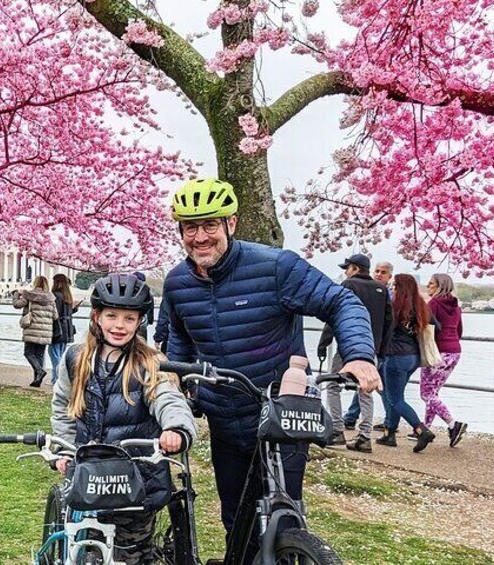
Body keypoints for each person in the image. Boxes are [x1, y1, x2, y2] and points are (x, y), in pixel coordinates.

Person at [162, 178, 380, 557]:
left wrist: (359, 354)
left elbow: (342, 303)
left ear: (231, 223)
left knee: (284, 514)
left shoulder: (277, 267)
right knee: (237, 519)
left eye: (210, 224)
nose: (200, 237)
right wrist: (180, 381)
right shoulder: (178, 283)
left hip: (281, 412)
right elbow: (179, 338)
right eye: (190, 227)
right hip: (224, 417)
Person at [51, 273, 197, 564]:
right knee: (79, 547)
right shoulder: (75, 358)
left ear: (139, 321)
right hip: (88, 476)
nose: (119, 325)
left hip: (136, 482)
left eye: (129, 318)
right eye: (112, 316)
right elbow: (62, 407)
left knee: (133, 556)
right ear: (97, 316)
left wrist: (176, 429)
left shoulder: (149, 362)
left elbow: (167, 398)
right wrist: (62, 448)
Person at [318, 253, 393, 452]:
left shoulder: (349, 286)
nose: (345, 272)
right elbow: (389, 322)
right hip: (371, 350)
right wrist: (381, 349)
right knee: (365, 390)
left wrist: (324, 342)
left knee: (333, 385)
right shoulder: (382, 289)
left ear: (356, 269)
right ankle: (365, 436)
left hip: (347, 348)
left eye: (347, 268)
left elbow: (336, 314)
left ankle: (336, 430)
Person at [376, 273, 437, 452]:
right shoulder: (421, 306)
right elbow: (437, 327)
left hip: (395, 357)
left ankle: (420, 430)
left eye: (395, 285)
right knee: (397, 396)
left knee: (394, 398)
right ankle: (389, 434)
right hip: (413, 357)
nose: (392, 288)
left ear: (400, 288)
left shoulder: (394, 307)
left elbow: (384, 330)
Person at [418, 274, 467, 446]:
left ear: (440, 286)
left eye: (431, 284)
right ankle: (426, 428)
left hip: (437, 353)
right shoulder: (456, 306)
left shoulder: (434, 304)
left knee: (426, 393)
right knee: (433, 393)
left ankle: (453, 425)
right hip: (454, 352)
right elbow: (459, 331)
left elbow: (426, 327)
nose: (428, 286)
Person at [13, 275, 58, 387]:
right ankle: (37, 380)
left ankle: (39, 371)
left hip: (32, 328)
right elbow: (55, 316)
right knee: (39, 355)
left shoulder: (29, 295)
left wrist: (16, 294)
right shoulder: (51, 298)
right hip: (46, 330)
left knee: (28, 352)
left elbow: (17, 305)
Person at [49, 274, 80, 383]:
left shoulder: (56, 295)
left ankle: (58, 378)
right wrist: (75, 308)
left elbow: (55, 313)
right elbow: (68, 312)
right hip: (67, 328)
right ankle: (55, 378)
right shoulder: (68, 296)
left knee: (54, 354)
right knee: (61, 354)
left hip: (58, 328)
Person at [133, 271, 154, 341]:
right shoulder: (148, 294)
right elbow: (151, 309)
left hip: (130, 321)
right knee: (142, 342)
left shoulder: (128, 292)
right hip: (143, 322)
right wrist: (150, 320)